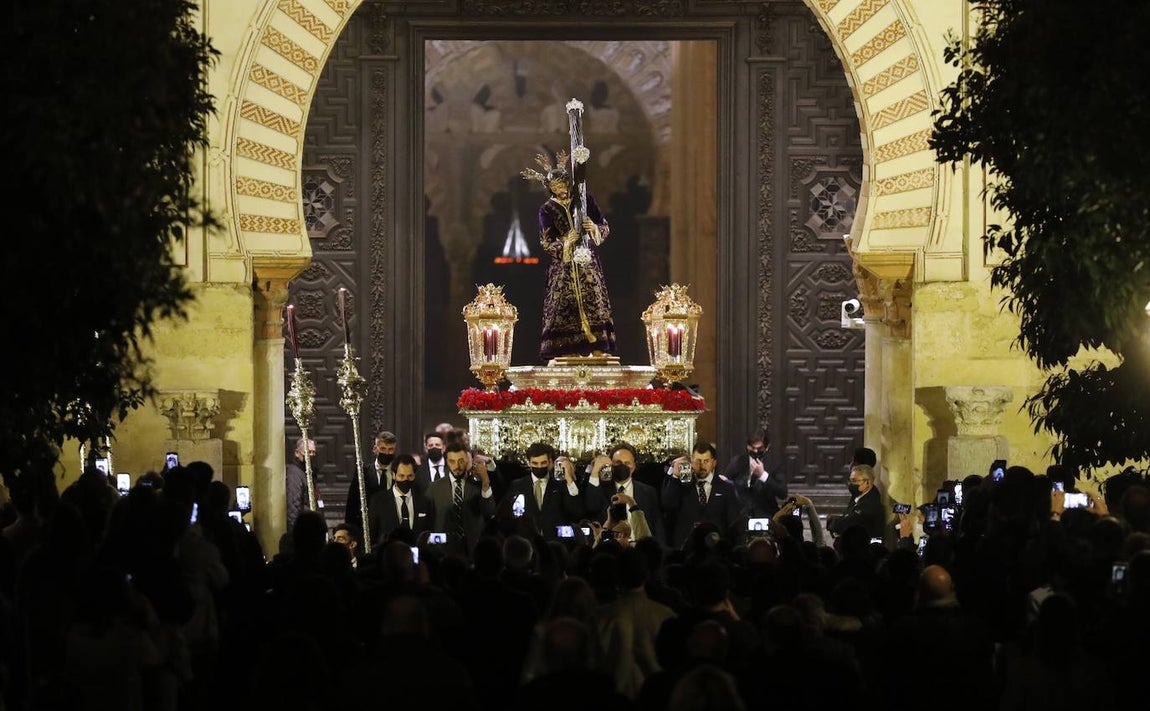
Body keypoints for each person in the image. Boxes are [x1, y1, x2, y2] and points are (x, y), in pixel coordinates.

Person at [522, 151, 616, 361]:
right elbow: (546, 242)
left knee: (594, 302)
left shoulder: (584, 200)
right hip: (563, 266)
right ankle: (567, 348)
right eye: (556, 189)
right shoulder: (547, 209)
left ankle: (598, 346)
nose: (561, 192)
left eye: (563, 187)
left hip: (587, 262)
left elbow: (604, 225)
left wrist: (593, 228)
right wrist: (566, 242)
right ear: (550, 189)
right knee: (566, 305)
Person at [662, 442, 742, 548]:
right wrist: (676, 476)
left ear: (714, 463)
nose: (701, 465)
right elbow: (667, 506)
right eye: (698, 461)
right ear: (691, 461)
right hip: (686, 549)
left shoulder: (727, 489)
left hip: (716, 549)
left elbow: (733, 523)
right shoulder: (681, 487)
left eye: (706, 461)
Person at [583, 443, 665, 545]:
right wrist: (595, 472)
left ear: (634, 466)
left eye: (627, 463)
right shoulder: (601, 489)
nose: (622, 467)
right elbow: (591, 506)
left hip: (639, 550)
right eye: (618, 463)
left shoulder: (648, 492)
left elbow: (657, 526)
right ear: (611, 465)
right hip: (609, 548)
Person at [501, 441, 583, 540]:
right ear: (529, 463)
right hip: (527, 541)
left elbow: (576, 510)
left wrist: (569, 479)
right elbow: (506, 515)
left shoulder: (560, 485)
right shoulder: (518, 485)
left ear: (549, 462)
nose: (539, 467)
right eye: (535, 463)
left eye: (543, 463)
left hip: (555, 542)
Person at [428, 441, 496, 559]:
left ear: (467, 460)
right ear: (446, 461)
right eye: (452, 461)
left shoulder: (478, 486)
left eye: (461, 461)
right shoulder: (434, 488)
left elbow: (489, 512)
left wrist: (485, 483)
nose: (457, 466)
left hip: (473, 551)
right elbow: (429, 522)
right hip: (443, 552)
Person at [366, 454, 435, 546]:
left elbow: (429, 534)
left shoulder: (425, 502)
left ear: (414, 476)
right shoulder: (378, 501)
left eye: (409, 476)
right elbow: (371, 536)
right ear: (394, 475)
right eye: (401, 476)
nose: (405, 480)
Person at [723, 430, 787, 518]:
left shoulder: (774, 464)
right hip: (741, 516)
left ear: (767, 447)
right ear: (747, 446)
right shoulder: (737, 462)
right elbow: (726, 484)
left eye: (760, 449)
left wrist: (763, 475)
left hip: (766, 516)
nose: (756, 451)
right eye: (752, 448)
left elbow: (783, 493)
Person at [344, 429, 396, 535]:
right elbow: (352, 504)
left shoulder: (399, 472)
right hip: (366, 529)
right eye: (383, 448)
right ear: (375, 449)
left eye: (390, 449)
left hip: (392, 528)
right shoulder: (362, 473)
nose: (387, 453)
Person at [827, 463, 886, 540]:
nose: (851, 484)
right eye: (850, 480)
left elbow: (846, 524)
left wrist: (833, 522)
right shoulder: (859, 494)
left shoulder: (870, 504)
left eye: (854, 481)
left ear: (867, 483)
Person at [285, 437, 314, 532]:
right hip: (303, 527)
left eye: (313, 452)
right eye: (308, 452)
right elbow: (293, 504)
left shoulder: (307, 472)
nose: (311, 455)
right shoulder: (294, 474)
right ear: (297, 453)